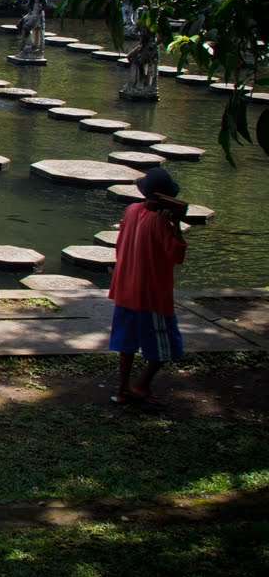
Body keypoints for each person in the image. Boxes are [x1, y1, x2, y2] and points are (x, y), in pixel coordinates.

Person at [109, 166, 188, 406]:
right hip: (151, 295)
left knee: (127, 343)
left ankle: (122, 389)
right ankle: (141, 385)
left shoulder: (131, 210)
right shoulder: (161, 222)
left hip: (125, 289)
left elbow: (120, 245)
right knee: (166, 347)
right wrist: (176, 226)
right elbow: (177, 255)